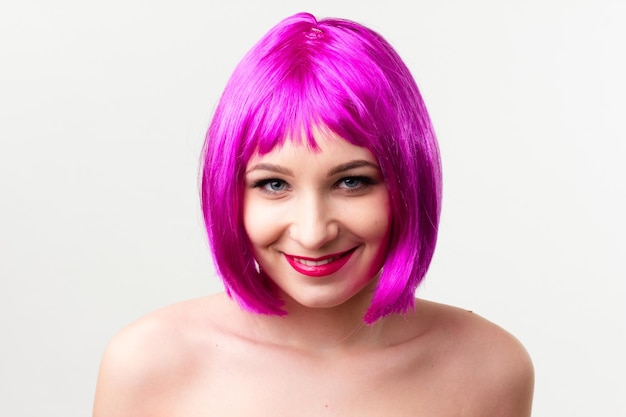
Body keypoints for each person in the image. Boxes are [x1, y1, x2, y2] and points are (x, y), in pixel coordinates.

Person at [93, 12, 534, 416]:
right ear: (229, 193)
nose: (313, 232)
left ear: (408, 182)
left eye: (352, 181)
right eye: (273, 184)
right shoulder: (147, 364)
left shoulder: (490, 368)